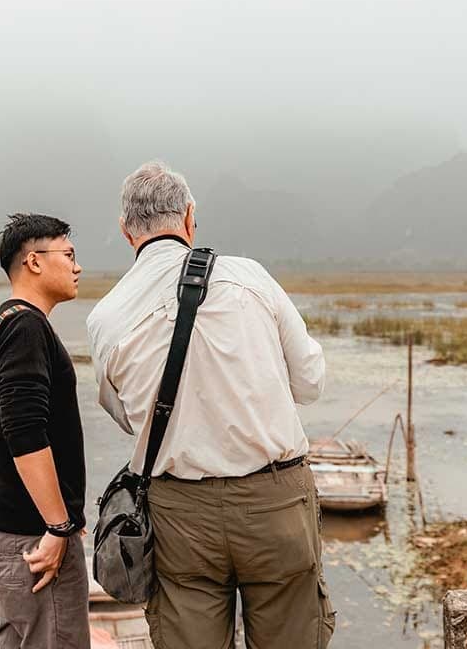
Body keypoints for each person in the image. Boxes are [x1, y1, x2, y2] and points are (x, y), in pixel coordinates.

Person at [86, 162, 336, 649]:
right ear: (189, 217)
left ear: (125, 230)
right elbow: (310, 383)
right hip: (275, 502)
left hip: (179, 513)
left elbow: (127, 419)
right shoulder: (250, 279)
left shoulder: (105, 317)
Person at [0, 213, 89, 648]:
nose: (77, 267)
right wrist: (58, 525)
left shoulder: (2, 323)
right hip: (32, 536)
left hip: (8, 531)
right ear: (34, 263)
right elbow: (24, 433)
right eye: (69, 255)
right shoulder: (26, 327)